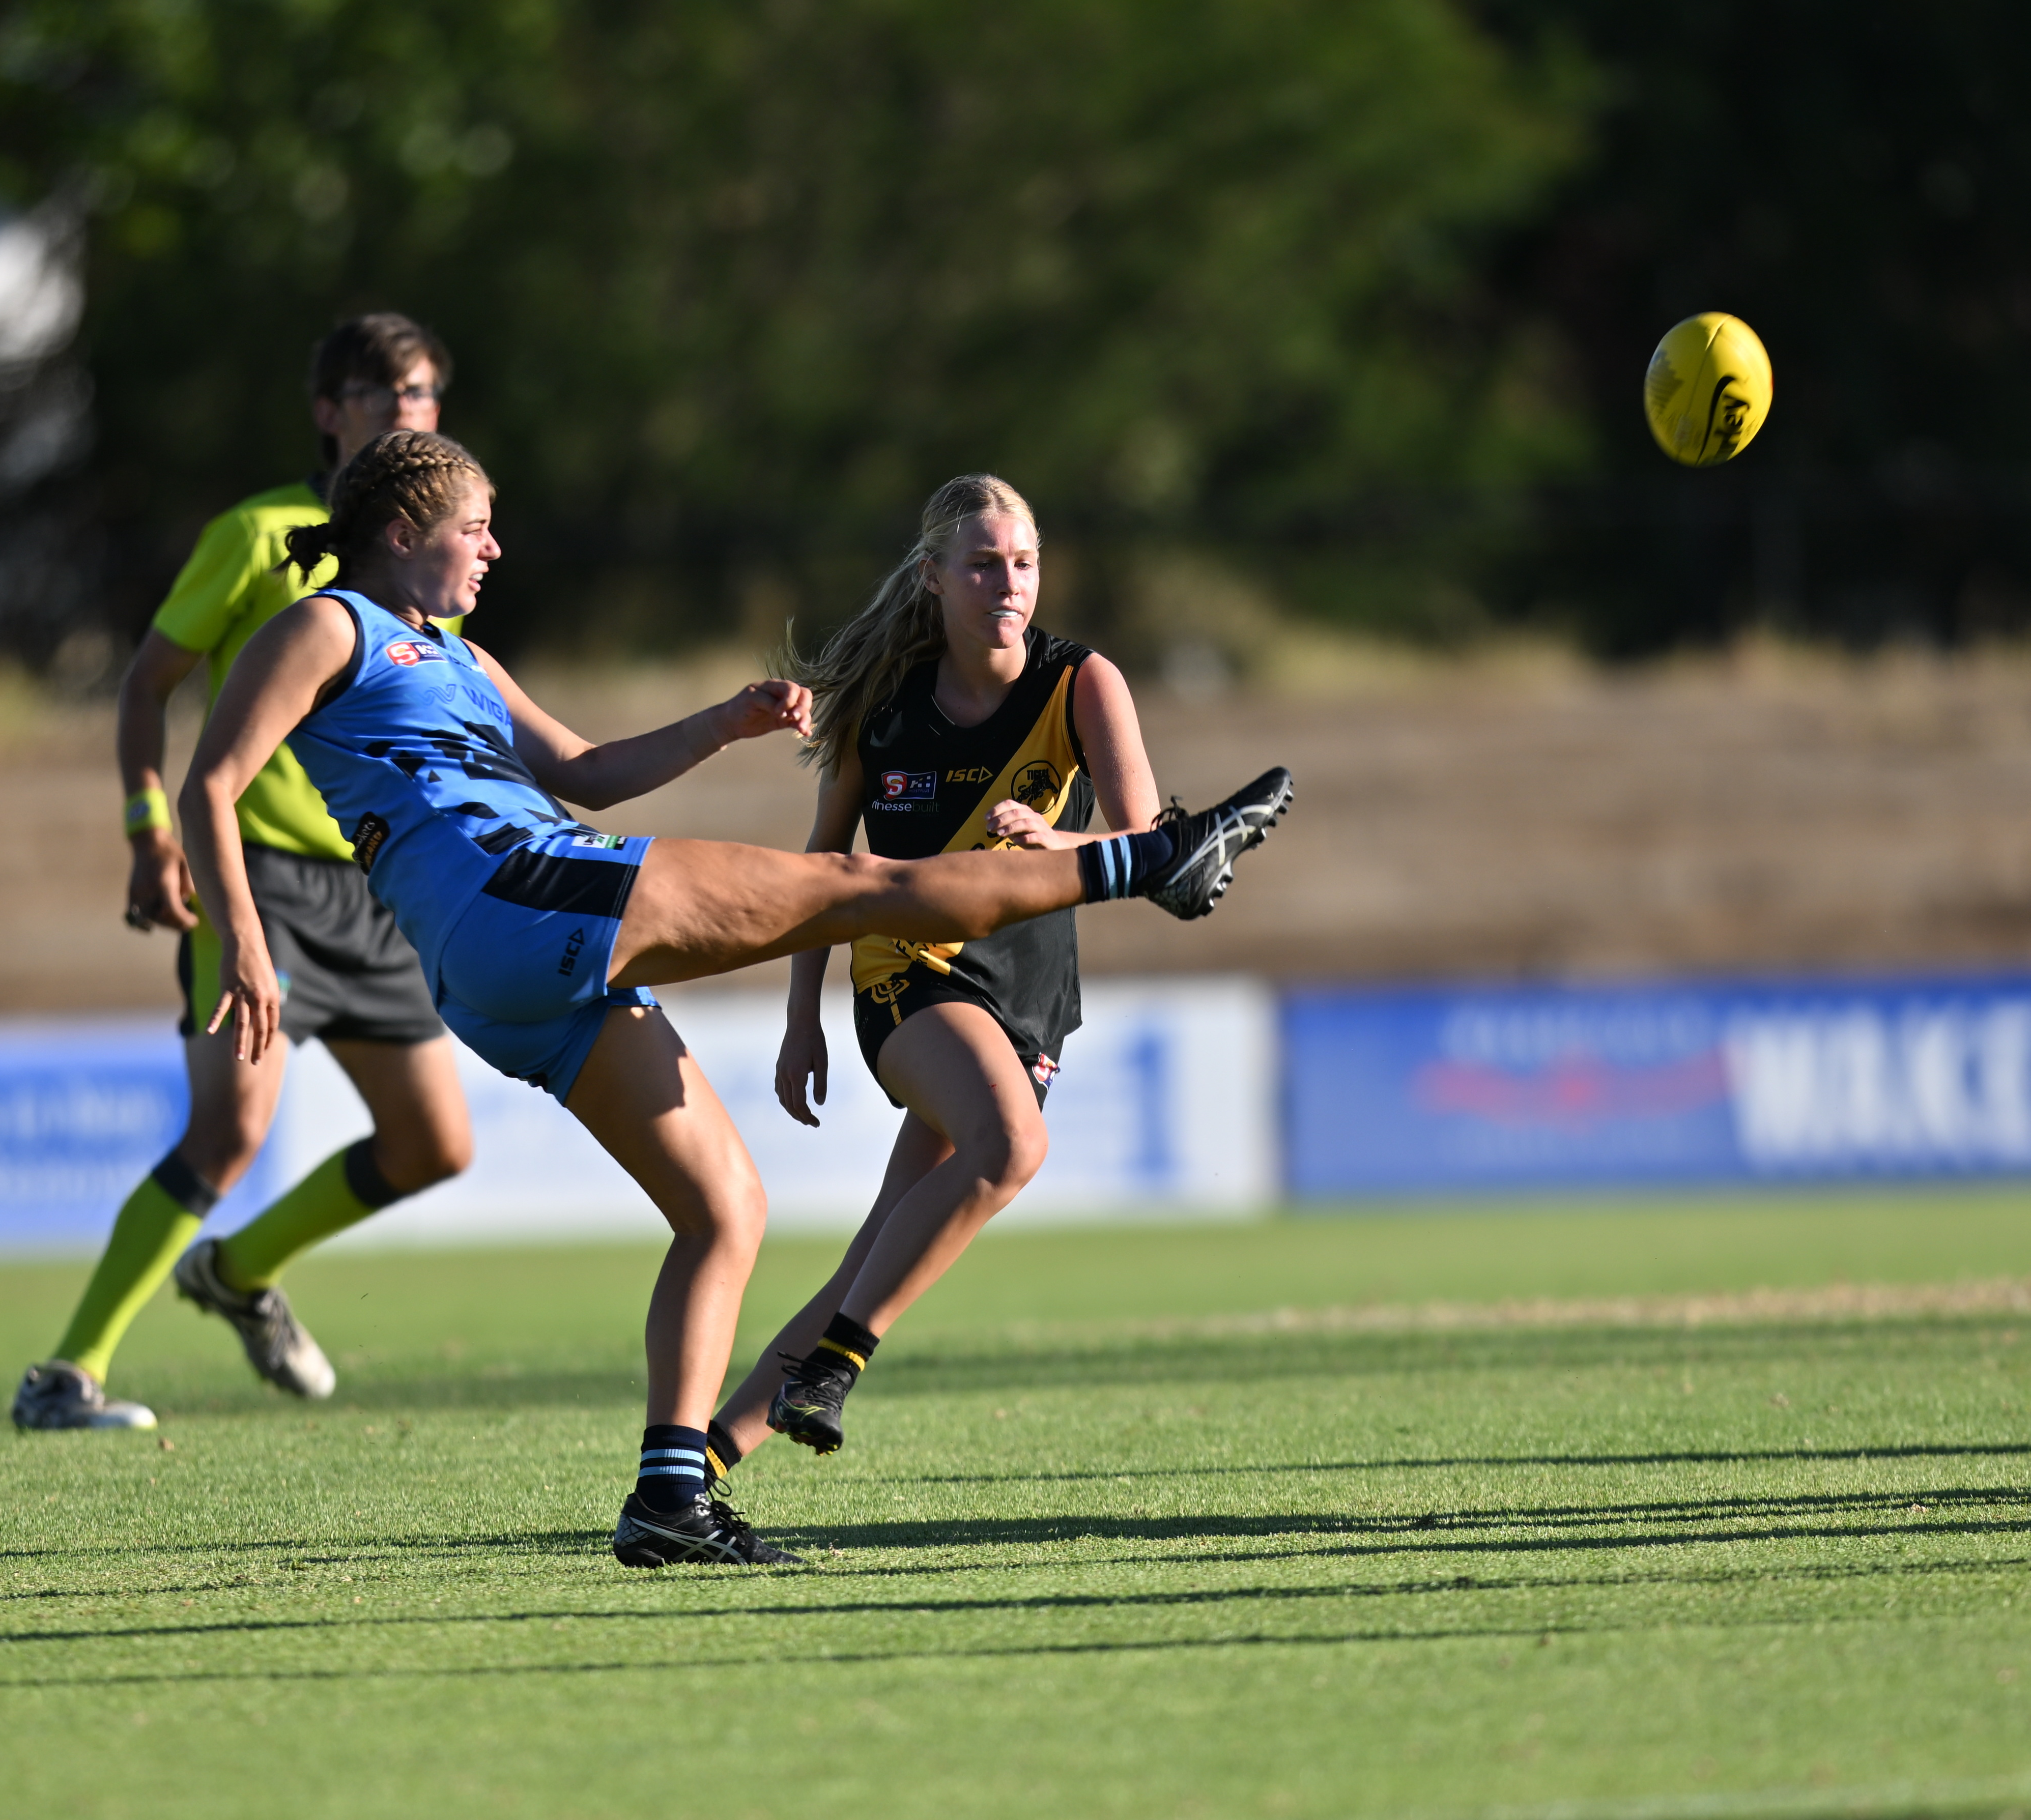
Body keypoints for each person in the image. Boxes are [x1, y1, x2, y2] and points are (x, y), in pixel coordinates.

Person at [179, 429, 1291, 1565]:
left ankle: (671, 1496)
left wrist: (721, 721)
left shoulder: (455, 651)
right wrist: (249, 943)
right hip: (516, 893)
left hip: (502, 973)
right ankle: (1147, 863)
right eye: (476, 529)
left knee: (726, 1209)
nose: (494, 548)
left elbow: (579, 770)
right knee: (859, 889)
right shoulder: (329, 624)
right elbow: (210, 783)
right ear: (403, 535)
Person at [12, 314, 479, 1433]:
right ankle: (65, 1373)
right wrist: (146, 828)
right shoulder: (259, 533)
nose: (407, 410)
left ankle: (236, 1272)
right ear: (330, 410)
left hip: (376, 887)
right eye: (383, 391)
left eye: (422, 393)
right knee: (229, 1133)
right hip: (253, 874)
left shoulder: (428, 556)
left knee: (436, 1147)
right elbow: (145, 684)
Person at [703, 474, 1175, 1484]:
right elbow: (819, 874)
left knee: (873, 1250)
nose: (1008, 583)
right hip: (905, 977)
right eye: (982, 564)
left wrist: (1059, 841)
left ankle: (693, 1472)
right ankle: (831, 1368)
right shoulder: (884, 708)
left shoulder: (1080, 682)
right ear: (932, 579)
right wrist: (801, 1020)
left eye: (1023, 563)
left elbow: (1147, 844)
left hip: (1030, 997)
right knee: (1010, 1144)